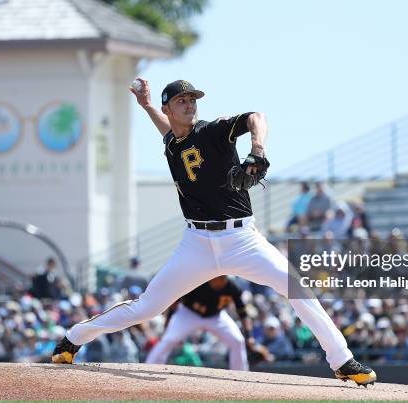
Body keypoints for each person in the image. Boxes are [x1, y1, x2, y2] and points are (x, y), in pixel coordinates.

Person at [52, 78, 376, 386]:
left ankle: (342, 360)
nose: (190, 104)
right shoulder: (172, 144)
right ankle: (74, 338)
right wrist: (147, 105)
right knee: (147, 307)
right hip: (196, 243)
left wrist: (258, 148)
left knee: (294, 285)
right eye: (182, 100)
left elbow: (256, 116)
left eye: (193, 99)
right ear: (169, 108)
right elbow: (169, 132)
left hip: (241, 239)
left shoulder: (213, 131)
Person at [146, 276, 253, 370]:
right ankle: (149, 368)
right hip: (188, 314)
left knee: (238, 341)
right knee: (169, 339)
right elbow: (175, 302)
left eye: (223, 277)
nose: (220, 279)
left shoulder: (232, 287)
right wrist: (167, 324)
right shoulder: (198, 283)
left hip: (216, 317)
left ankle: (241, 374)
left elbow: (243, 313)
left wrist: (249, 336)